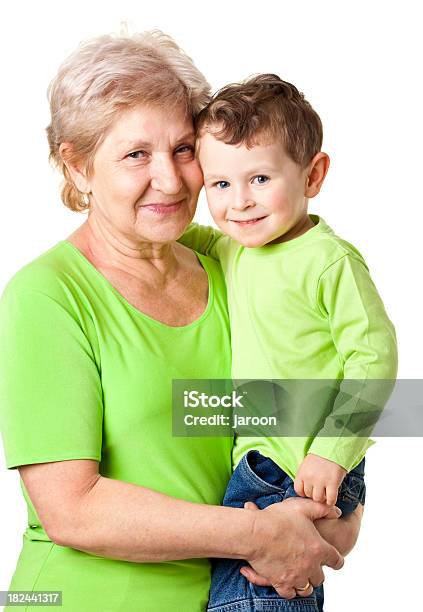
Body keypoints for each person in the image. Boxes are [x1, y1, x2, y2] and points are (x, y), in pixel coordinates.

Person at [0, 34, 361, 612]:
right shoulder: (46, 296)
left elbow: (305, 402)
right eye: (135, 154)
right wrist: (261, 534)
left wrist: (338, 513)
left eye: (185, 148)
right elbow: (70, 508)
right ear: (78, 164)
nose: (169, 180)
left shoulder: (233, 263)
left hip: (237, 596)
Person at [179, 74, 398, 611]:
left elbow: (374, 357)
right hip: (256, 465)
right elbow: (164, 230)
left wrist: (333, 452)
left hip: (305, 470)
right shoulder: (233, 248)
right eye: (220, 185)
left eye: (259, 178)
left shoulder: (329, 261)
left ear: (313, 174)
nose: (240, 203)